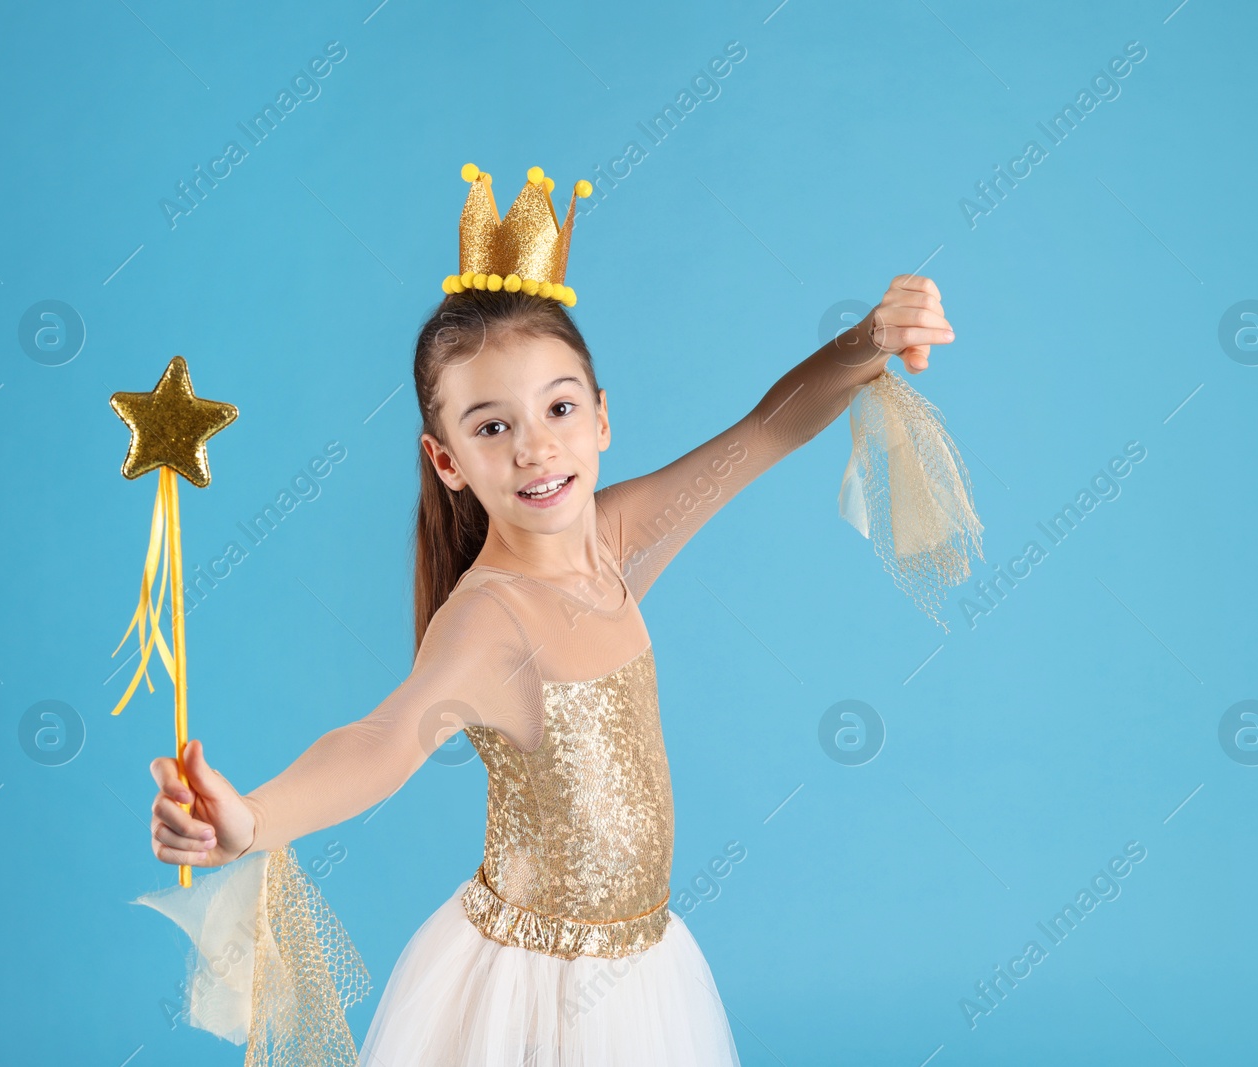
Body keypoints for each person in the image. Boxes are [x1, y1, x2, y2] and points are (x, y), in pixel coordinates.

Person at [143, 164, 955, 1065]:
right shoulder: (489, 620)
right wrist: (253, 817)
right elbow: (385, 739)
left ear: (601, 418)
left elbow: (764, 431)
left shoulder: (616, 541)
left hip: (642, 968)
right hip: (534, 999)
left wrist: (867, 339)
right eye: (491, 426)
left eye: (559, 408)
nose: (535, 445)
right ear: (446, 459)